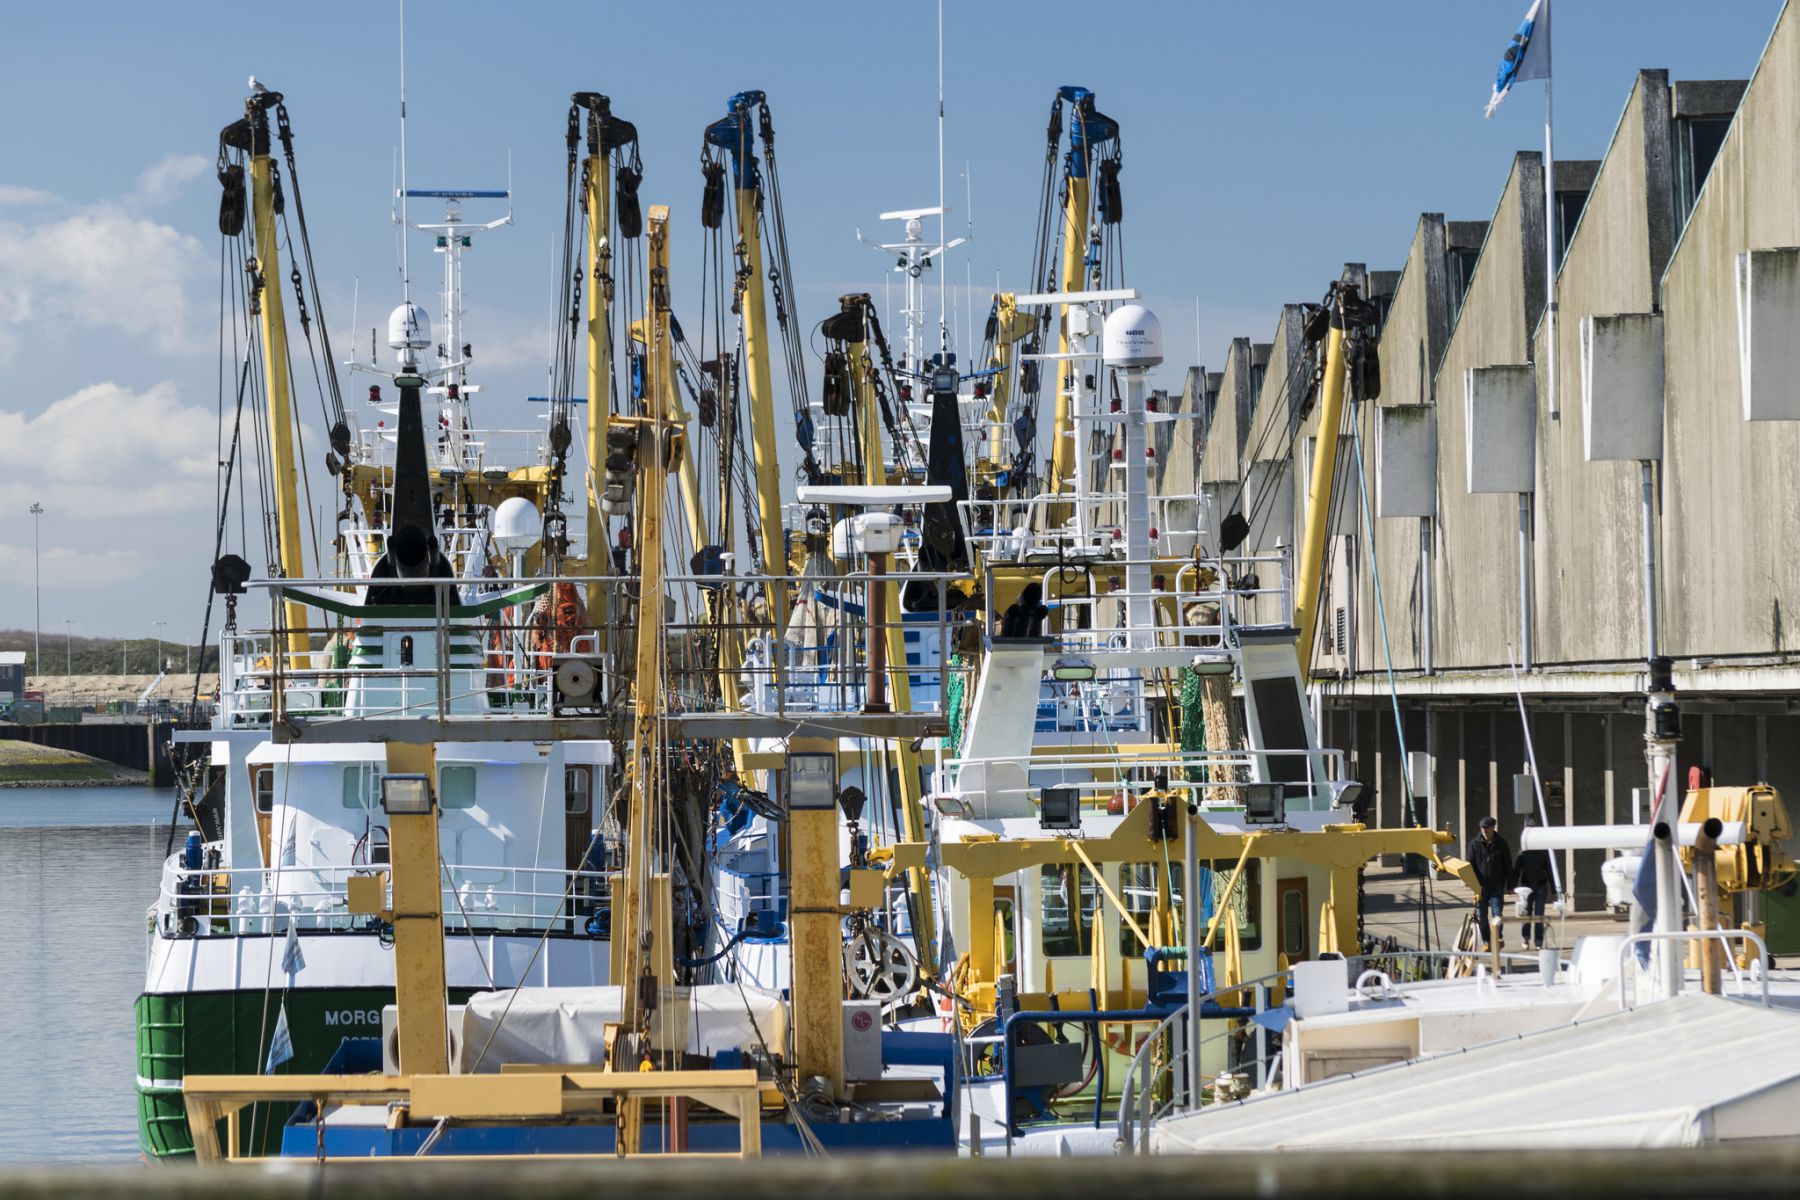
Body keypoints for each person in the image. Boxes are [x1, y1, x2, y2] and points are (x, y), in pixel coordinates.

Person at [1467, 816, 1513, 948]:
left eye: (1487, 829)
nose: (1485, 831)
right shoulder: (1474, 844)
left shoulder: (1502, 843)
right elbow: (1470, 864)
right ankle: (1486, 941)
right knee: (1481, 915)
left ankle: (1498, 937)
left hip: (1497, 886)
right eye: (1483, 829)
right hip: (1480, 887)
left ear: (1493, 828)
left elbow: (1508, 865)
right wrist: (1470, 881)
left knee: (1497, 914)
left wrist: (1510, 885)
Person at [1512, 816, 1553, 950]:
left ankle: (1538, 941)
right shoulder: (1523, 851)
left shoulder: (1543, 850)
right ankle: (1525, 937)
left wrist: (1554, 888)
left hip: (1541, 885)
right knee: (1526, 913)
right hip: (1526, 886)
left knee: (1539, 914)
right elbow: (1517, 870)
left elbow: (1549, 869)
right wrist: (1512, 886)